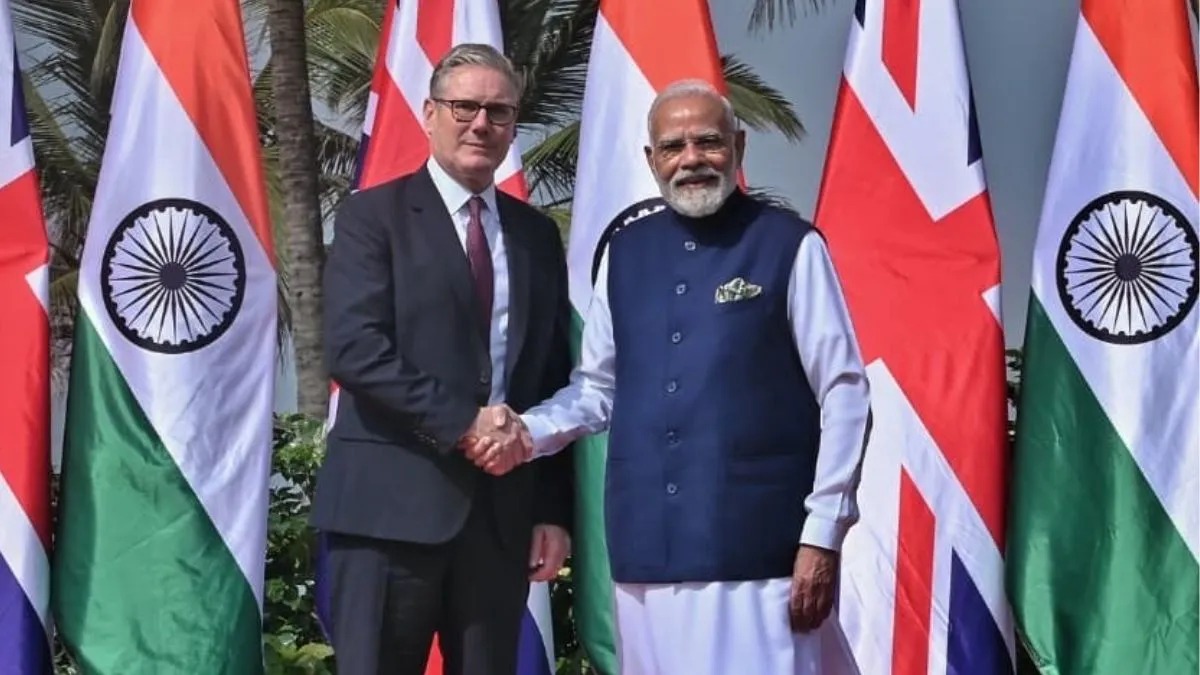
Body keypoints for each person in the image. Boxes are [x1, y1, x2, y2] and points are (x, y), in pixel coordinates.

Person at [500, 79, 872, 674]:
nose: (691, 158)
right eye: (673, 146)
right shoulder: (625, 252)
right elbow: (596, 390)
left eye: (708, 141)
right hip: (646, 555)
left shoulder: (789, 245)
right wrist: (524, 432)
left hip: (758, 552)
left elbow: (845, 394)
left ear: (738, 146)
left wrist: (823, 531)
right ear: (652, 160)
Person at [313, 43, 574, 675]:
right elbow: (354, 348)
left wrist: (551, 511)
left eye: (499, 111)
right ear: (430, 114)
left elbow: (550, 378)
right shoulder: (372, 216)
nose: (481, 124)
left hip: (500, 519)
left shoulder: (537, 236)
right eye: (465, 107)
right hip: (386, 512)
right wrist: (465, 422)